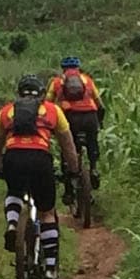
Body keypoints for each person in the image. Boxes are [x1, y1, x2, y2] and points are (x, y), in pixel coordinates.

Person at [0, 73, 91, 279]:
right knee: (47, 213)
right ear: (42, 94)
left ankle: (11, 224)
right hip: (40, 158)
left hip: (13, 156)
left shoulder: (6, 111)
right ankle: (51, 270)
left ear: (18, 93)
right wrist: (73, 170)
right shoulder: (53, 110)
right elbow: (67, 143)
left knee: (14, 192)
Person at [49, 55, 104, 190]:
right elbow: (100, 105)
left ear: (63, 69)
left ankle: (68, 187)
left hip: (70, 117)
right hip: (90, 116)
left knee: (67, 146)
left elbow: (47, 103)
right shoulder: (88, 81)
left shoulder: (57, 82)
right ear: (78, 68)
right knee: (92, 142)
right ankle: (93, 168)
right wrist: (99, 122)